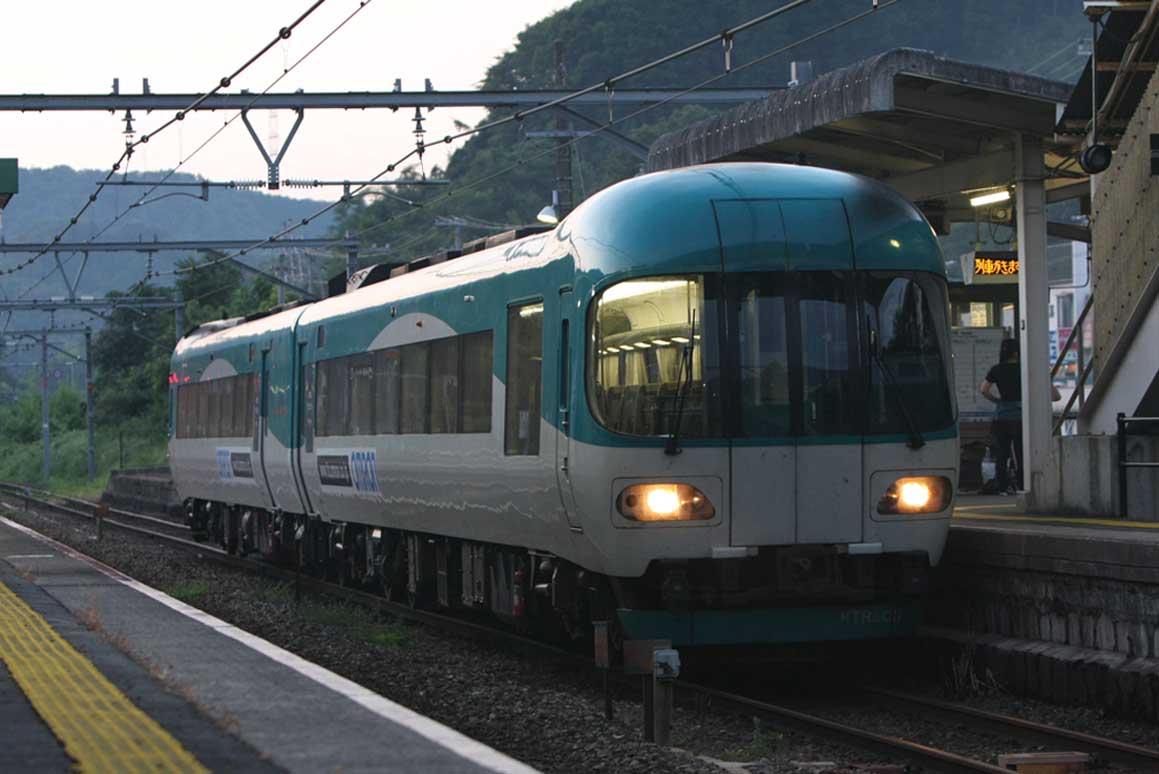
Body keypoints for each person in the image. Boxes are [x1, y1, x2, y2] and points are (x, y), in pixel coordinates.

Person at [979, 338, 1060, 493]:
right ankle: (1022, 485)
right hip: (1021, 417)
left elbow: (983, 390)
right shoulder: (1025, 369)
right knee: (1021, 452)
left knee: (1002, 453)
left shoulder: (996, 369)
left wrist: (997, 401)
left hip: (1001, 417)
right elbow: (1055, 396)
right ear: (1016, 353)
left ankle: (1001, 486)